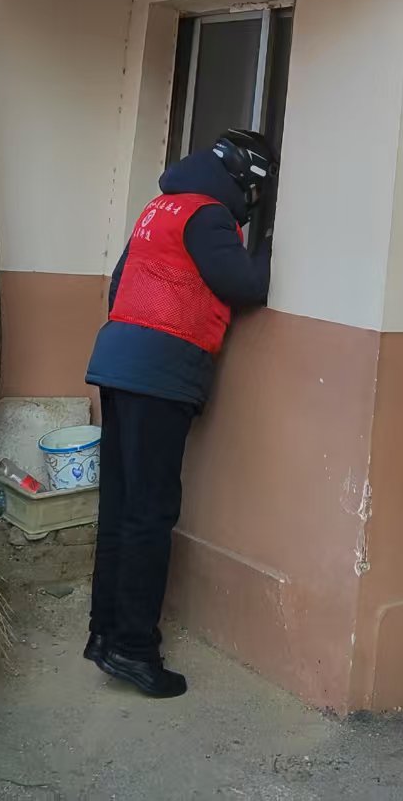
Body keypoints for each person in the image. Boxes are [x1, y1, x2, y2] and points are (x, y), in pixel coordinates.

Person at [82, 127, 277, 697]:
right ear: (245, 178)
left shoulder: (160, 208)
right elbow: (245, 284)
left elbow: (120, 283)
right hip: (158, 373)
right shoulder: (209, 216)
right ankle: (134, 649)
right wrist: (272, 244)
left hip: (117, 361)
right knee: (150, 513)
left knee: (120, 508)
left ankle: (105, 635)